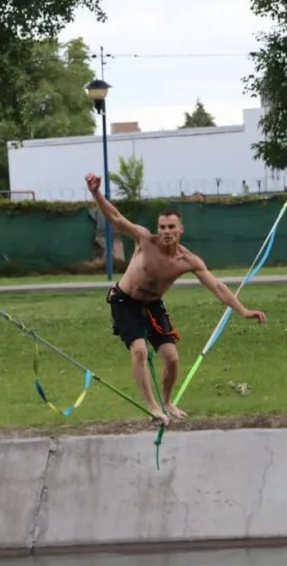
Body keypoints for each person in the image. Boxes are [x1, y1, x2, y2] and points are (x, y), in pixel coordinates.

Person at [85, 173, 266, 425]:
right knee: (139, 351)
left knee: (171, 357)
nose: (166, 232)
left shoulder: (187, 261)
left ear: (181, 230)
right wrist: (96, 193)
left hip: (152, 306)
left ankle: (168, 402)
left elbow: (217, 287)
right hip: (124, 301)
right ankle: (152, 406)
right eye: (162, 227)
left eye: (171, 227)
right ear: (157, 229)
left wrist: (243, 310)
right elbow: (115, 218)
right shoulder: (145, 241)